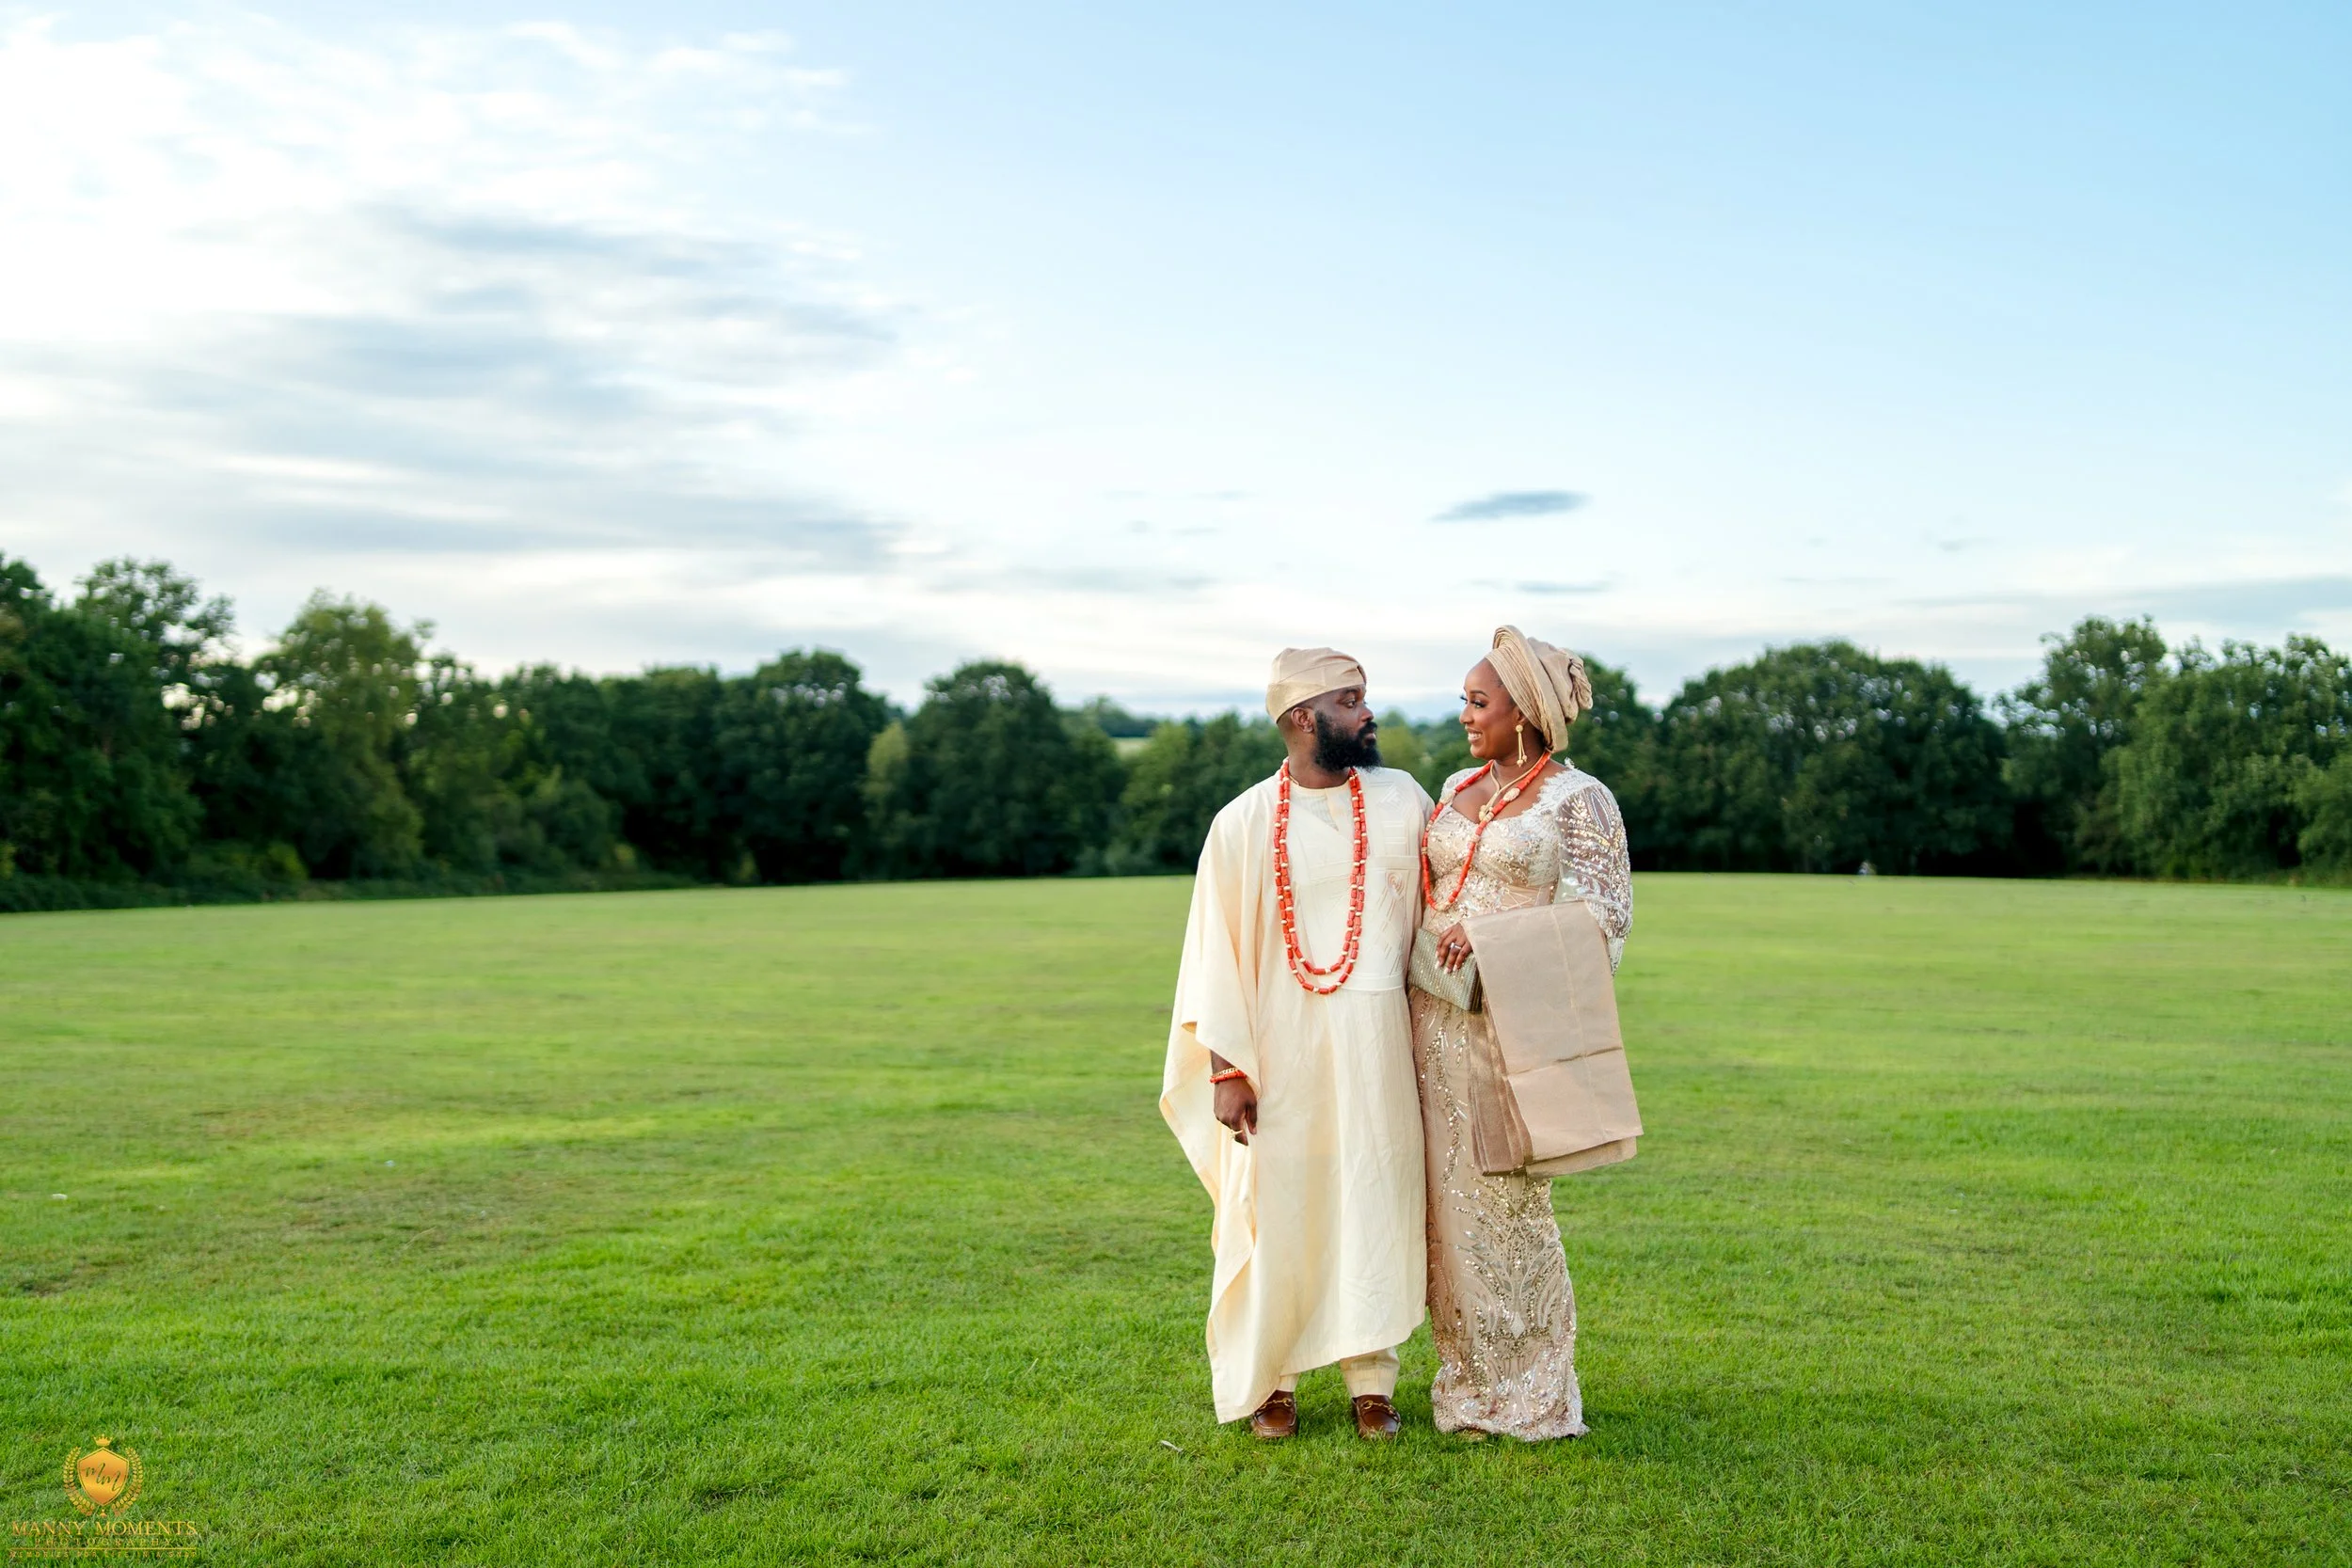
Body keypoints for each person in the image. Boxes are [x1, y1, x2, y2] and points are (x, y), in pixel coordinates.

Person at [1161, 647, 1434, 1441]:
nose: (1367, 713)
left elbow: (1455, 886)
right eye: (1351, 700)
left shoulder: (1401, 799)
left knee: (1372, 1197)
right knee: (1274, 1203)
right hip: (1275, 1052)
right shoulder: (1242, 821)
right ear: (1304, 719)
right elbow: (1214, 952)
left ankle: (1371, 1380)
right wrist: (1226, 1068)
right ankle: (1270, 1380)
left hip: (1378, 1049)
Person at [1410, 626, 1633, 1441]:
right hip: (1426, 1022)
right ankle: (1465, 1384)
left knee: (1509, 1204)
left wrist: (1498, 945)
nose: (1465, 715)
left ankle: (1536, 1388)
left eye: (1479, 701)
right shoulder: (1453, 784)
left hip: (1506, 1031)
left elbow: (1606, 922)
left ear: (1525, 711)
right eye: (1466, 700)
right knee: (1444, 1209)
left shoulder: (1579, 800)